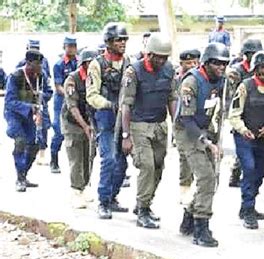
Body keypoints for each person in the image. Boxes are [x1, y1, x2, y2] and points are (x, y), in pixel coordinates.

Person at [175, 42, 229, 247]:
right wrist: (207, 142)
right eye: (216, 63)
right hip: (187, 131)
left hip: (205, 128)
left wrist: (216, 140)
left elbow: (220, 110)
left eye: (224, 64)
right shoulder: (191, 82)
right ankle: (201, 228)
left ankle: (189, 215)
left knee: (212, 178)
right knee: (206, 177)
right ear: (206, 63)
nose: (221, 68)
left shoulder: (221, 82)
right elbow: (186, 119)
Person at [120, 33, 177, 229]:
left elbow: (172, 97)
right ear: (149, 54)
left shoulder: (169, 70)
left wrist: (176, 124)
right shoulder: (133, 72)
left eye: (165, 57)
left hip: (160, 124)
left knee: (159, 167)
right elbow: (126, 105)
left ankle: (145, 203)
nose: (161, 60)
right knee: (147, 166)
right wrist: (126, 136)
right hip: (139, 125)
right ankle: (142, 210)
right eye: (157, 56)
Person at [86, 22, 130, 219]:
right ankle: (103, 201)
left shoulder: (128, 62)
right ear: (108, 42)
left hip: (125, 117)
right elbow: (91, 95)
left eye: (124, 39)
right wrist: (109, 104)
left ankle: (112, 197)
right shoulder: (97, 65)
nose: (122, 43)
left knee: (122, 163)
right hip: (106, 117)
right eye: (118, 40)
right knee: (109, 159)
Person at [229, 50, 264, 229]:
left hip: (260, 137)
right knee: (248, 168)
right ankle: (247, 209)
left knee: (260, 171)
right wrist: (243, 129)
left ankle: (250, 203)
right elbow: (233, 115)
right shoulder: (245, 87)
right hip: (244, 136)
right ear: (256, 69)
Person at [4, 50, 53, 192]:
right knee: (20, 141)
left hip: (32, 114)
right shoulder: (16, 76)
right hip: (14, 114)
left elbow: (49, 92)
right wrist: (29, 107)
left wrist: (41, 97)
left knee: (36, 143)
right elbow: (10, 102)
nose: (41, 67)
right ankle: (20, 178)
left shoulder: (41, 76)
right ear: (29, 63)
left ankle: (23, 173)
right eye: (38, 64)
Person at [62, 48, 98, 208]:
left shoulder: (97, 77)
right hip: (73, 122)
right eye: (89, 63)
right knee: (76, 155)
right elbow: (72, 106)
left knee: (90, 154)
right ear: (83, 64)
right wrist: (84, 126)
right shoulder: (72, 80)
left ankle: (85, 185)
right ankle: (76, 191)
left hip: (90, 121)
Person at [227, 38, 264, 188]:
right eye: (251, 53)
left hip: (256, 110)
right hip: (240, 110)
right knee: (244, 149)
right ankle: (236, 175)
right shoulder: (238, 70)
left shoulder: (261, 68)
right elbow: (231, 94)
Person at [16, 39, 52, 166]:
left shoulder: (44, 62)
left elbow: (47, 83)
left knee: (44, 126)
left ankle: (41, 154)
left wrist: (43, 98)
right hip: (25, 103)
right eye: (33, 47)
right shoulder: (21, 66)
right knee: (24, 131)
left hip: (40, 100)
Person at [175, 48, 201, 204]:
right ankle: (184, 188)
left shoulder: (199, 78)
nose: (192, 65)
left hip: (197, 122)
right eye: (188, 63)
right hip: (181, 124)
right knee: (185, 156)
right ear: (181, 63)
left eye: (195, 62)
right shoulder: (176, 78)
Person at [51, 35, 78, 174]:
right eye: (69, 46)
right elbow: (58, 86)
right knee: (59, 131)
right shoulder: (59, 64)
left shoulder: (79, 62)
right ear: (64, 47)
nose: (72, 49)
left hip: (76, 102)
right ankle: (53, 160)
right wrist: (70, 94)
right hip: (61, 102)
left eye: (74, 46)